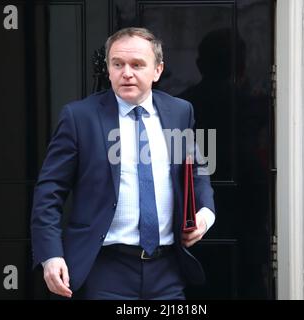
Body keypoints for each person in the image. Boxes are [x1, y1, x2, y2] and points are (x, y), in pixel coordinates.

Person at [31, 27, 216, 300]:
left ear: (157, 70)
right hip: (105, 268)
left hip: (167, 268)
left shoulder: (179, 112)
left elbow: (197, 168)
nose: (126, 72)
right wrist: (50, 254)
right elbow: (49, 190)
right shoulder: (79, 117)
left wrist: (204, 214)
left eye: (137, 64)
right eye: (118, 64)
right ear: (108, 69)